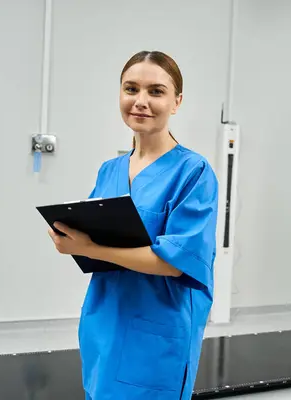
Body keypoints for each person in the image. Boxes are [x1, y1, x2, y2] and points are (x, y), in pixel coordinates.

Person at [48, 50, 219, 399]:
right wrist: (70, 238)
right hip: (105, 320)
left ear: (177, 102)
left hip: (157, 330)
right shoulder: (109, 171)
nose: (140, 101)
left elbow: (174, 262)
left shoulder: (193, 172)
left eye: (156, 91)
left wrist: (89, 247)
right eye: (131, 89)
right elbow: (96, 243)